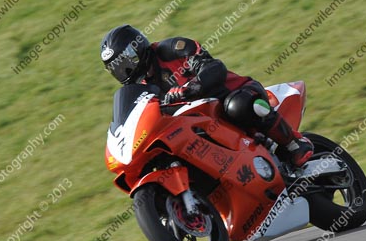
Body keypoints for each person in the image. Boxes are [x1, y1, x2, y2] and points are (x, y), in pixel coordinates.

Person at [100, 25, 314, 167]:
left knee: (237, 106)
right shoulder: (143, 89)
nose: (123, 71)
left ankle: (293, 143)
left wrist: (191, 87)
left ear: (136, 49)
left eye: (124, 62)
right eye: (116, 68)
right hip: (201, 122)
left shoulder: (171, 49)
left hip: (234, 93)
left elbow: (213, 67)